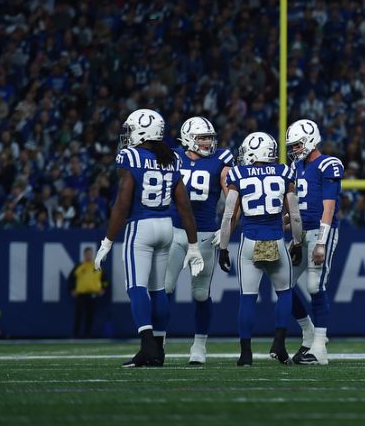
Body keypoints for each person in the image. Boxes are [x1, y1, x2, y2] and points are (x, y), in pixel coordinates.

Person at [93, 108, 205, 367]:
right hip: (166, 225)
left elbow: (122, 203)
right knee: (158, 291)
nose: (128, 135)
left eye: (131, 130)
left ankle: (147, 347)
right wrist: (193, 244)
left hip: (140, 226)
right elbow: (184, 206)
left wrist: (107, 241)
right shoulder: (172, 158)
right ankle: (159, 349)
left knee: (137, 288)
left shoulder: (130, 156)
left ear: (142, 131)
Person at [216, 131, 302, 366]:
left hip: (249, 241)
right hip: (275, 239)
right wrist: (298, 242)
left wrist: (223, 247)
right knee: (284, 292)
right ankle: (280, 344)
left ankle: (246, 353)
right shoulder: (284, 171)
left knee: (247, 298)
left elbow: (228, 215)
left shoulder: (237, 173)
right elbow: (294, 214)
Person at [163, 116, 234, 365]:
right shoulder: (172, 157)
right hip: (174, 232)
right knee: (165, 288)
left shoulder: (221, 160)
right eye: (203, 137)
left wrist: (227, 230)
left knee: (201, 293)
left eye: (209, 137)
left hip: (204, 233)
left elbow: (233, 198)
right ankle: (157, 341)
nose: (207, 142)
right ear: (189, 138)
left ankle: (199, 346)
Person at [284, 118, 344, 365]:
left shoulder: (328, 165)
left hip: (322, 231)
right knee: (282, 283)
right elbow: (297, 205)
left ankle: (319, 347)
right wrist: (286, 224)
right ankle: (308, 332)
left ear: (310, 140)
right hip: (301, 232)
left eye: (298, 145)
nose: (295, 150)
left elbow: (328, 208)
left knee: (314, 287)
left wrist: (321, 241)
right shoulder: (297, 168)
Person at [70, 246, 106, 338]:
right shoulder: (79, 266)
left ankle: (87, 334)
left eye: (90, 254)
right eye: (87, 254)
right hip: (81, 294)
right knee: (79, 315)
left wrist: (103, 289)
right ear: (84, 255)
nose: (88, 255)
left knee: (90, 315)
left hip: (93, 294)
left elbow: (105, 279)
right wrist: (72, 289)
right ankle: (75, 334)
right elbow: (71, 279)